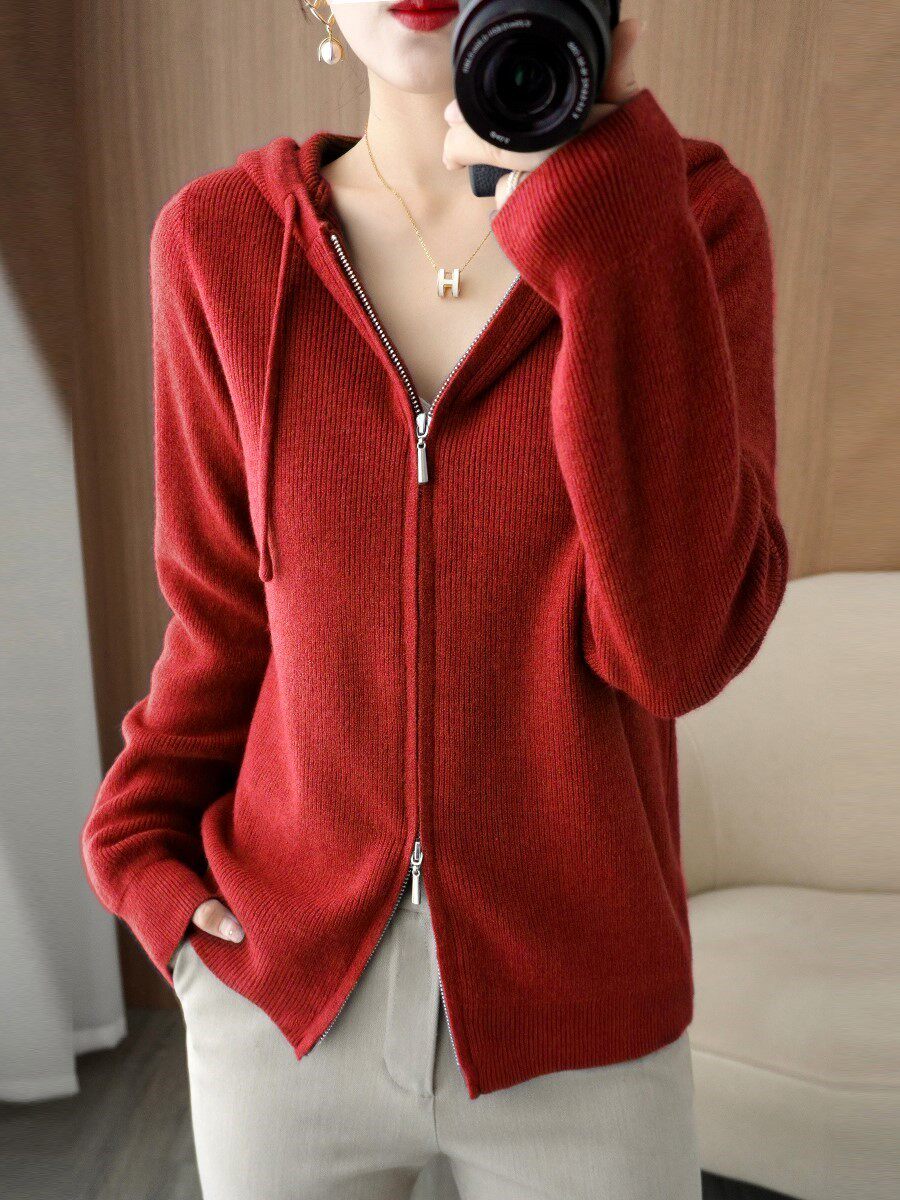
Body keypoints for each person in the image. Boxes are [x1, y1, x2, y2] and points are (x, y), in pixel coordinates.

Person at [80, 3, 789, 1197]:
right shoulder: (218, 242)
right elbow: (222, 620)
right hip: (282, 1004)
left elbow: (675, 651)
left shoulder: (686, 219)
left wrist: (608, 224)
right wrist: (140, 854)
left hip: (583, 1028)